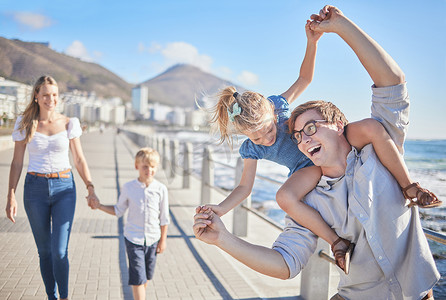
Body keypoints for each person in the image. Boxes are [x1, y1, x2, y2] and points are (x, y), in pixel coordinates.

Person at [194, 5, 440, 300]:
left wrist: (321, 37)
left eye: (310, 128)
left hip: (419, 289)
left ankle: (409, 186)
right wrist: (222, 231)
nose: (298, 138)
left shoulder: (377, 151)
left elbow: (314, 80)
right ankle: (336, 243)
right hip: (305, 180)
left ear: (339, 126)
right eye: (296, 135)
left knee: (366, 132)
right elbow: (250, 197)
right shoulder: (304, 195)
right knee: (284, 197)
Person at [5, 75, 99, 300]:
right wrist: (10, 195)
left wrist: (90, 186)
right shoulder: (25, 123)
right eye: (46, 94)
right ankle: (51, 296)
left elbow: (79, 159)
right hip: (34, 190)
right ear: (36, 96)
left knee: (59, 251)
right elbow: (17, 162)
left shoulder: (69, 123)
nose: (51, 99)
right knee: (44, 252)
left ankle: (64, 297)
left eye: (54, 94)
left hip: (64, 188)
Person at [90, 147, 169, 300]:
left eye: (153, 166)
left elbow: (164, 218)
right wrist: (99, 206)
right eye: (145, 166)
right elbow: (118, 210)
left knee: (145, 277)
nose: (149, 170)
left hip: (153, 240)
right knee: (138, 277)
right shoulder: (128, 188)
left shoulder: (161, 189)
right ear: (136, 166)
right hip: (133, 239)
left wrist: (163, 240)